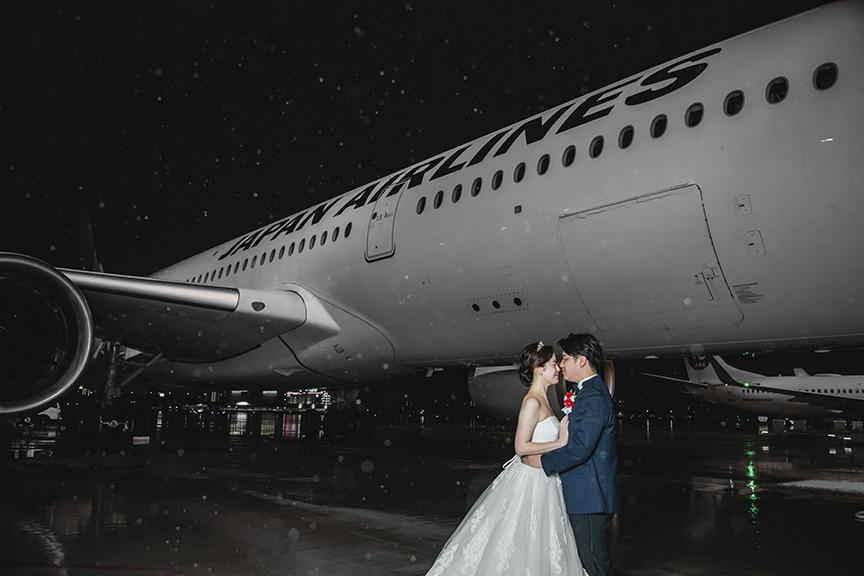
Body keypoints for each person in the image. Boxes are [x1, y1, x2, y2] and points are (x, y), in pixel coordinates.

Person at [425, 342, 585, 575]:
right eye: (553, 364)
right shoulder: (532, 402)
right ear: (539, 369)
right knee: (520, 539)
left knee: (541, 541)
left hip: (545, 478)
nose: (558, 368)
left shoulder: (544, 400)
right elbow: (521, 446)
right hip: (531, 481)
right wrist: (560, 442)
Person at [522, 333, 617, 576]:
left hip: (589, 497)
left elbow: (579, 449)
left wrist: (542, 462)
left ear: (581, 360)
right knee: (588, 562)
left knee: (594, 565)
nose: (561, 365)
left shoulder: (593, 396)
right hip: (584, 494)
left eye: (565, 359)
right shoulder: (586, 392)